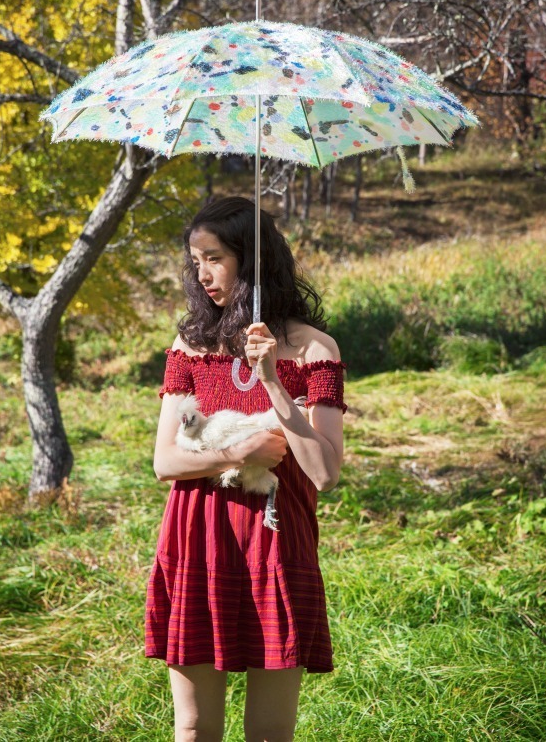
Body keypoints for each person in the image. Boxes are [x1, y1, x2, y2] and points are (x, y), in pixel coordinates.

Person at [145, 195, 347, 742]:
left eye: (214, 258)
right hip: (197, 540)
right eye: (195, 261)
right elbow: (165, 462)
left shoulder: (313, 351)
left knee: (269, 733)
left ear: (251, 260)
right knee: (192, 727)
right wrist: (239, 453)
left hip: (277, 544)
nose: (202, 273)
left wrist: (274, 383)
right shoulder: (191, 346)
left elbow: (325, 474)